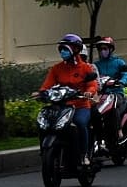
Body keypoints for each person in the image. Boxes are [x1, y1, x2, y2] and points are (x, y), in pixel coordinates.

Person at [35, 34, 99, 166]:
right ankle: (45, 152)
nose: (62, 52)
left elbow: (92, 84)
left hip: (81, 106)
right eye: (61, 49)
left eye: (65, 49)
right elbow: (48, 84)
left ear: (75, 49)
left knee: (80, 123)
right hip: (61, 106)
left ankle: (84, 154)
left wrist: (89, 92)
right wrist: (41, 93)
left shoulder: (85, 68)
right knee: (44, 124)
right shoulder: (57, 68)